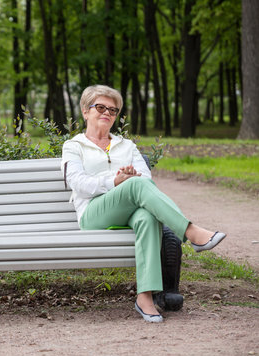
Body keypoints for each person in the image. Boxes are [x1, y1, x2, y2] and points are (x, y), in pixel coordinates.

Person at [61, 84, 226, 323]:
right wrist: (117, 181)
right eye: (100, 107)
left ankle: (145, 296)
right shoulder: (74, 146)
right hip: (93, 214)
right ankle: (191, 232)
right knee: (135, 186)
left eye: (113, 110)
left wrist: (130, 180)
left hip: (127, 211)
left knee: (147, 217)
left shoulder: (126, 146)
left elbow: (145, 179)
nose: (107, 113)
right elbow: (78, 184)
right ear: (85, 111)